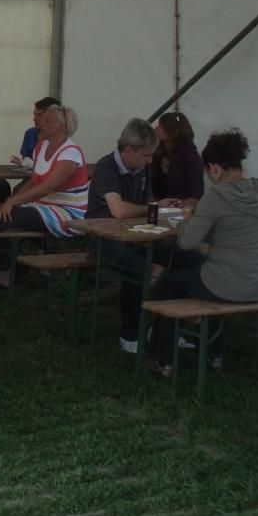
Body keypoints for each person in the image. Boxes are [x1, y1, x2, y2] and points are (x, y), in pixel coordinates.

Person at [147, 130, 258, 376]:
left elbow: (187, 241)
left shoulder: (216, 195)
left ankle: (162, 358)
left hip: (232, 283)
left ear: (213, 169)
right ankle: (213, 354)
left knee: (168, 284)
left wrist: (186, 219)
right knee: (199, 271)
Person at [86, 119, 190, 354]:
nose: (150, 160)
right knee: (138, 270)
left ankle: (166, 329)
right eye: (146, 155)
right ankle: (130, 335)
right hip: (102, 236)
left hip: (136, 235)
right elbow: (119, 211)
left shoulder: (142, 168)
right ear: (128, 150)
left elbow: (147, 203)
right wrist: (154, 208)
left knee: (187, 259)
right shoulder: (106, 166)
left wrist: (162, 207)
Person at [0, 104, 88, 288]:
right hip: (45, 205)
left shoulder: (71, 153)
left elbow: (45, 188)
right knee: (0, 213)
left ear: (61, 126)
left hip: (68, 212)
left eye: (47, 121)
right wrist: (10, 202)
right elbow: (34, 180)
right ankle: (6, 268)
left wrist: (12, 202)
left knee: (11, 214)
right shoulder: (41, 146)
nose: (40, 124)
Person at [150, 111, 204, 208]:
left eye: (161, 126)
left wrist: (171, 206)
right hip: (155, 208)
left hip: (180, 210)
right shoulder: (156, 153)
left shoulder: (190, 156)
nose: (156, 129)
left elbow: (196, 195)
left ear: (173, 130)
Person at [16, 96, 61, 162]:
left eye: (40, 115)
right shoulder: (30, 133)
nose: (34, 119)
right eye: (34, 114)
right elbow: (25, 160)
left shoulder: (61, 137)